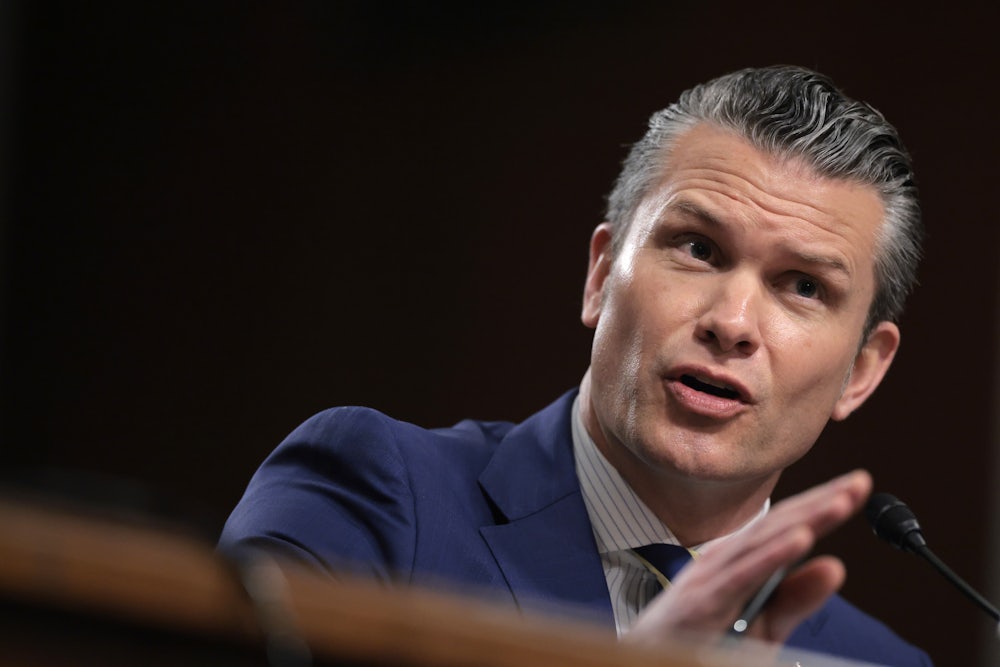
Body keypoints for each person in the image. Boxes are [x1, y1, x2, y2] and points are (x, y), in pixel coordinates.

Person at [219, 65, 932, 665]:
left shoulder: (877, 663)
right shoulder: (376, 497)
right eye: (697, 248)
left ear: (862, 370)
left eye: (803, 286)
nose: (732, 322)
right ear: (600, 275)